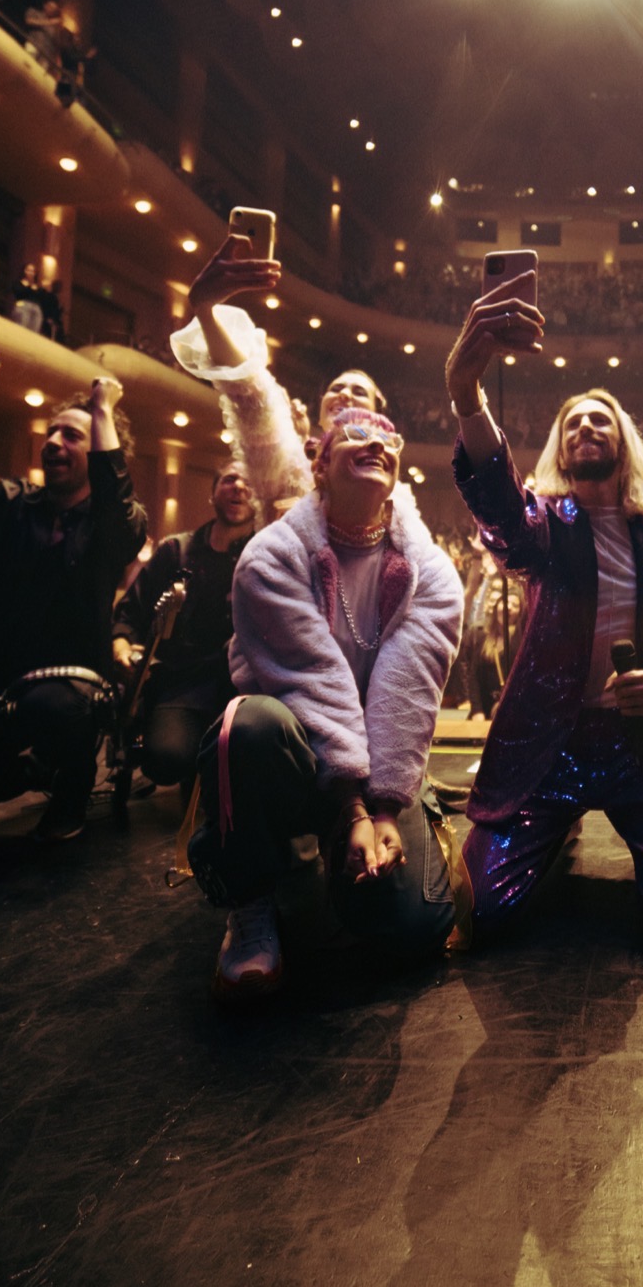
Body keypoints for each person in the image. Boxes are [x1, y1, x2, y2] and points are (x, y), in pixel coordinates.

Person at [445, 272, 643, 954]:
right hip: (552, 748)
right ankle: (554, 829)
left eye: (601, 419)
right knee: (479, 914)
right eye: (573, 423)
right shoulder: (545, 528)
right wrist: (467, 395)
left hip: (641, 753)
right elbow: (503, 513)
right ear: (561, 451)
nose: (587, 427)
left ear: (624, 443)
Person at [187, 408, 463, 999]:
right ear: (320, 464)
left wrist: (383, 810)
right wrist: (351, 808)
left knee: (415, 929)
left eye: (388, 438)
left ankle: (348, 868)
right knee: (249, 724)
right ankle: (251, 900)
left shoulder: (432, 570)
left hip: (381, 763)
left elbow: (408, 692)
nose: (376, 443)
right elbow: (310, 679)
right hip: (298, 754)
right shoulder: (271, 555)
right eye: (356, 435)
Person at [0, 377, 147, 840]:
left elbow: (115, 507)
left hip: (69, 693)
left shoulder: (119, 524)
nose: (52, 441)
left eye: (71, 435)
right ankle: (29, 771)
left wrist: (103, 409)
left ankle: (70, 787)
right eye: (51, 432)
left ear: (98, 452)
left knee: (57, 708)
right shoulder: (7, 503)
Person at [171, 233, 386, 522]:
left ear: (377, 417)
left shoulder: (391, 485)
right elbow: (250, 393)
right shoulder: (290, 463)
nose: (345, 394)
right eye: (336, 388)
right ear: (321, 408)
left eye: (359, 392)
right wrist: (205, 312)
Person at [112, 463, 256, 801]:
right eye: (229, 479)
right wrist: (121, 645)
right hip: (181, 684)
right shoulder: (175, 551)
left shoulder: (266, 553)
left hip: (243, 687)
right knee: (165, 760)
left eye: (248, 481)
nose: (238, 486)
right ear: (212, 494)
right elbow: (130, 612)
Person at [10, 263, 43, 331]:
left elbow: (41, 298)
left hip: (36, 309)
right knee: (20, 329)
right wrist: (28, 287)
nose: (30, 273)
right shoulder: (18, 283)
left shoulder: (37, 287)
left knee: (34, 331)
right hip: (23, 306)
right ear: (24, 271)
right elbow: (18, 293)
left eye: (33, 271)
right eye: (28, 270)